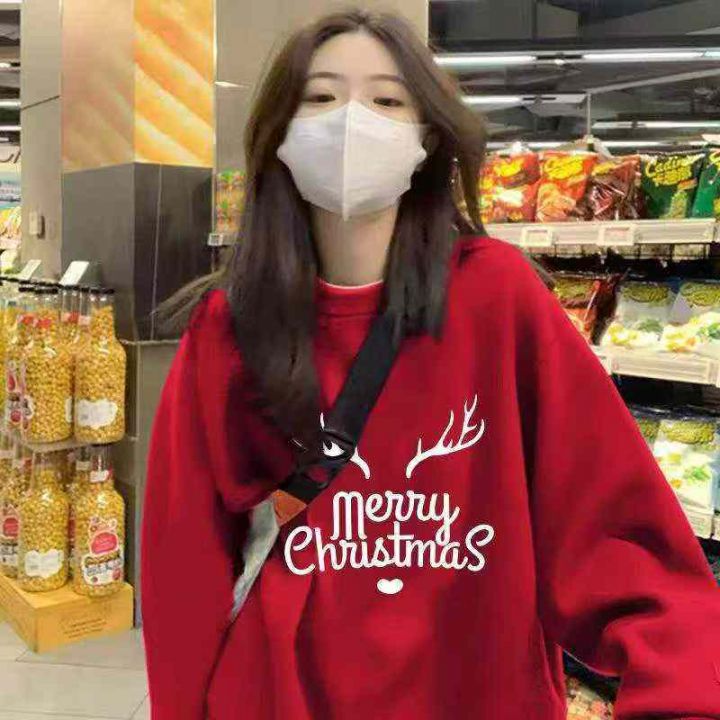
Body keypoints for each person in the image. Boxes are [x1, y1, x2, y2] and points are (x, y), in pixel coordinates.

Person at [141, 9, 720, 720]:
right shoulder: (229, 327)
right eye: (320, 96)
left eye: (387, 100)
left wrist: (678, 692)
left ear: (426, 138)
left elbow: (619, 536)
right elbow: (184, 565)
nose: (352, 122)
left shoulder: (498, 299)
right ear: (279, 134)